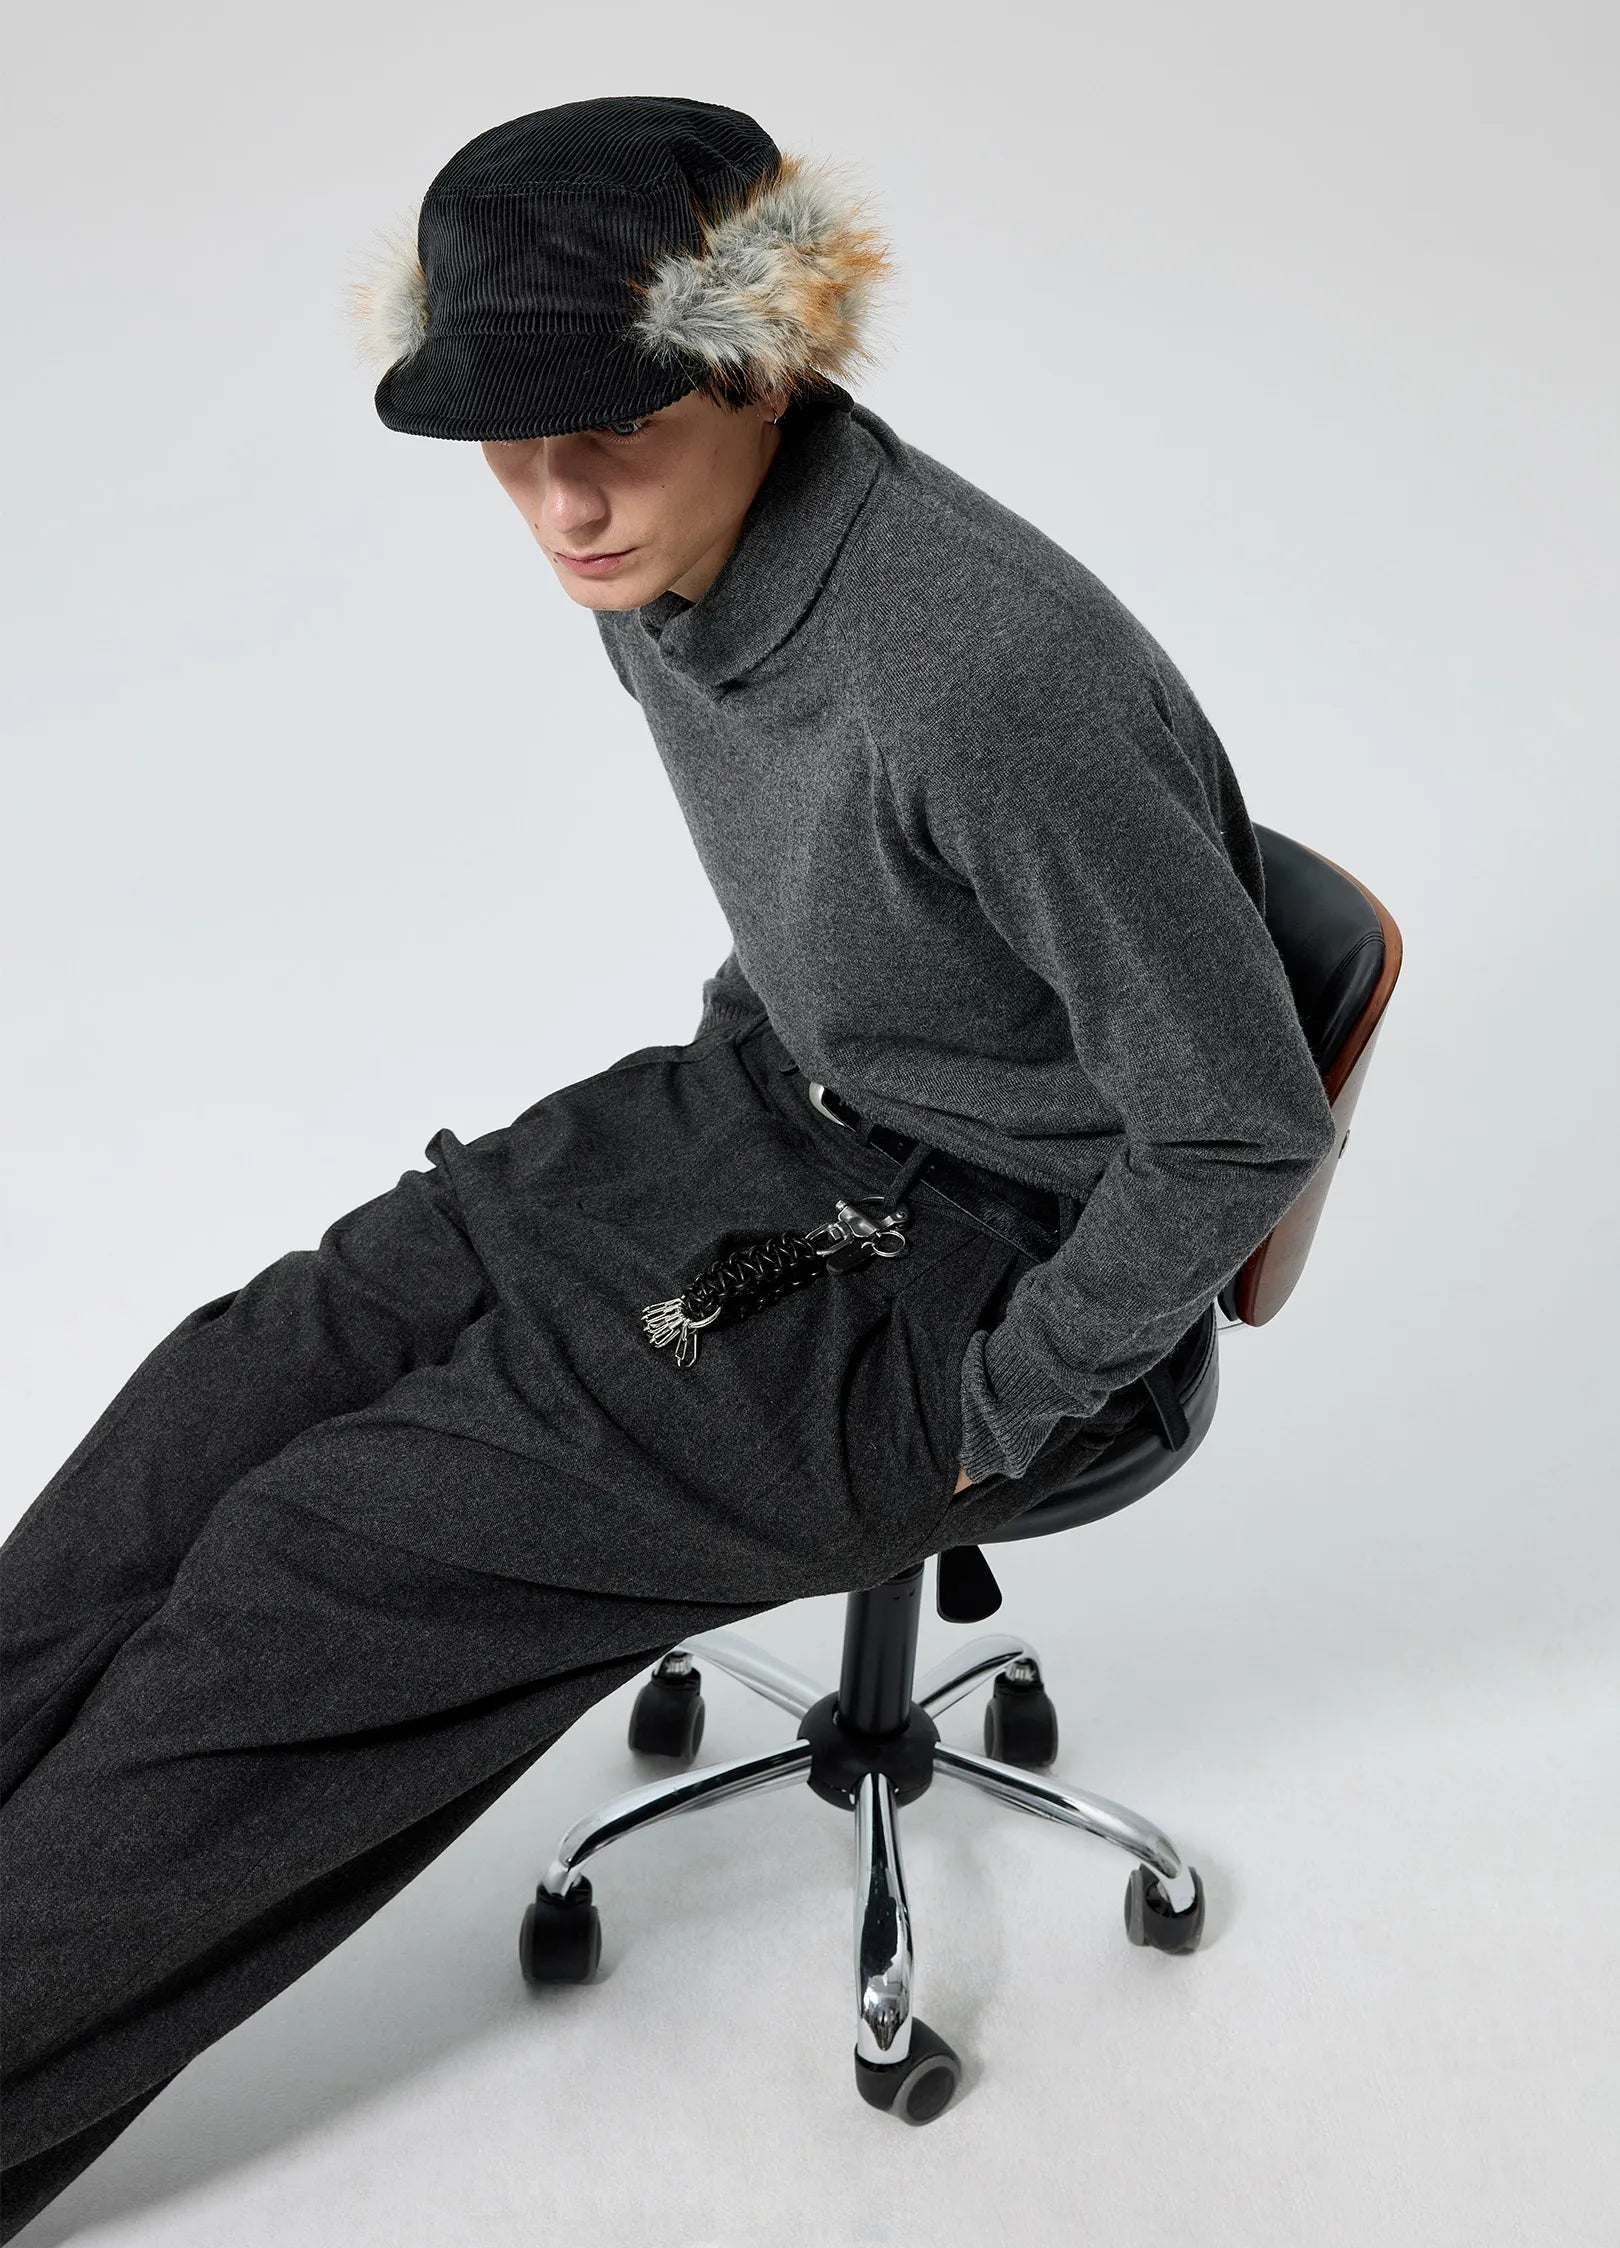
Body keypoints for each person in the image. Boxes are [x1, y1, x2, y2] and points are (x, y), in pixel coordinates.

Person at [0, 94, 1335, 2238]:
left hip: (989, 1272)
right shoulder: (659, 565)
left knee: (319, 1568)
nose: (561, 498)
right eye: (509, 439)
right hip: (774, 1115)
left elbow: (1244, 1119)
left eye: (610, 425)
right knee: (220, 1399)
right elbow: (842, 892)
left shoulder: (982, 669)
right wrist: (736, 1076)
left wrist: (1003, 1399)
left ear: (766, 361)